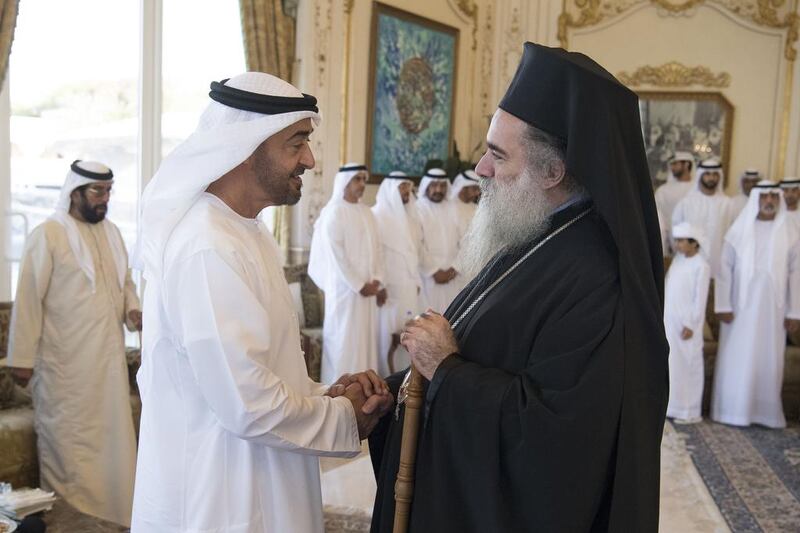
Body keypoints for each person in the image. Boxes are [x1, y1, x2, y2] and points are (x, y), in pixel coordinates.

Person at [369, 43, 668, 532]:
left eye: (496, 154)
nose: (479, 169)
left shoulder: (597, 276)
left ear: (553, 171)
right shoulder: (536, 234)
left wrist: (445, 371)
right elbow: (487, 348)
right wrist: (395, 391)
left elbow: (559, 439)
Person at [130, 73, 393, 533]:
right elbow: (246, 403)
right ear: (245, 146)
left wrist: (324, 393)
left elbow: (259, 370)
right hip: (223, 495)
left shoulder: (244, 231)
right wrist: (343, 417)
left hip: (259, 474)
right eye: (297, 143)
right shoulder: (207, 245)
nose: (309, 160)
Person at [6, 160, 141, 527]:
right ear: (75, 192)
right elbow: (30, 298)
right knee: (70, 447)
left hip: (108, 366)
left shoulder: (112, 233)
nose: (105, 199)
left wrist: (133, 308)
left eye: (109, 191)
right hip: (65, 368)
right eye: (98, 191)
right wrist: (21, 359)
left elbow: (124, 280)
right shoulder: (47, 234)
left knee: (114, 446)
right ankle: (70, 522)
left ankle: (116, 518)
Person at [712, 181, 800, 428]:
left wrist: (795, 311)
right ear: (757, 199)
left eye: (774, 196)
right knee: (736, 358)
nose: (769, 201)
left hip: (773, 311)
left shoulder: (790, 231)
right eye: (765, 196)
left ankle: (764, 413)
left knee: (769, 358)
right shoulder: (739, 230)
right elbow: (723, 269)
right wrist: (722, 305)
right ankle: (732, 411)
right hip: (739, 309)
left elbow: (796, 273)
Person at [309, 163, 385, 383]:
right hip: (345, 292)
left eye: (364, 179)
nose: (362, 184)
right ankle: (341, 393)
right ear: (345, 182)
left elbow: (377, 249)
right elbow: (337, 256)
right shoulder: (334, 212)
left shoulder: (367, 213)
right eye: (357, 179)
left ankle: (366, 390)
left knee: (365, 343)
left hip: (368, 291)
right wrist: (359, 285)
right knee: (343, 343)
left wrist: (377, 280)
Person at [371, 170, 422, 376]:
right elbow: (375, 255)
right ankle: (386, 380)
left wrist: (417, 280)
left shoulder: (412, 218)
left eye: (408, 187)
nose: (406, 191)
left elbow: (415, 253)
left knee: (408, 335)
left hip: (409, 288)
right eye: (401, 187)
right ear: (391, 189)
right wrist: (380, 285)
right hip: (389, 289)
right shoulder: (376, 216)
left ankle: (407, 381)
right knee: (387, 339)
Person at [664, 222, 711, 424]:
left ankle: (688, 411)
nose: (678, 244)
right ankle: (672, 407)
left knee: (688, 365)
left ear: (694, 243)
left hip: (687, 326)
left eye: (682, 241)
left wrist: (691, 325)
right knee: (672, 365)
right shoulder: (678, 261)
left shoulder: (701, 265)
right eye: (677, 240)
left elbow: (699, 299)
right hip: (670, 323)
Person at [672, 159, 735, 277]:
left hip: (719, 266)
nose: (711, 178)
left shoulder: (728, 204)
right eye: (707, 174)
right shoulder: (686, 203)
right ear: (700, 175)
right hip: (689, 266)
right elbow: (676, 234)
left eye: (715, 174)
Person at [416, 168, 461, 313]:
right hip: (429, 277)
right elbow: (418, 244)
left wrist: (455, 268)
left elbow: (465, 240)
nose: (438, 189)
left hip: (453, 275)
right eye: (434, 185)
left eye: (442, 186)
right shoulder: (417, 209)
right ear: (426, 186)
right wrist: (434, 272)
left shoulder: (454, 208)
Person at [654, 151, 694, 255]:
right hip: (670, 245)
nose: (672, 167)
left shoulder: (697, 190)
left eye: (675, 164)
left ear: (686, 164)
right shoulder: (663, 191)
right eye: (671, 164)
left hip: (693, 246)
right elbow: (659, 219)